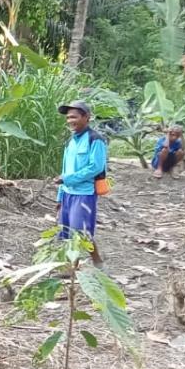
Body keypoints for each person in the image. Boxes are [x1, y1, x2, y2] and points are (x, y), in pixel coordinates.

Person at [54, 101, 108, 264]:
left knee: (81, 232)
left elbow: (96, 167)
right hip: (68, 194)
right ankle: (74, 266)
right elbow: (65, 169)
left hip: (84, 194)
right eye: (68, 117)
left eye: (74, 117)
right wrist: (60, 196)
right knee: (66, 232)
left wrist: (68, 179)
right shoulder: (70, 141)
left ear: (86, 117)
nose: (70, 120)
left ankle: (93, 264)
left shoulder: (95, 140)